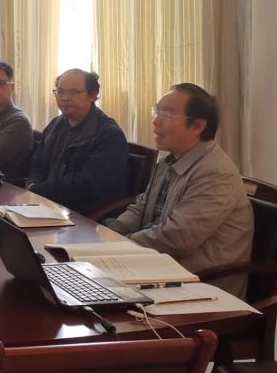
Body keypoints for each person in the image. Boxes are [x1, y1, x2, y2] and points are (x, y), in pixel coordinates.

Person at [103, 84, 254, 297]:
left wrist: (122, 245)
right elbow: (141, 207)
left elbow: (177, 238)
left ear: (197, 126)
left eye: (166, 115)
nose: (155, 122)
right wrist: (113, 231)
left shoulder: (215, 173)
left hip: (198, 286)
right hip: (155, 266)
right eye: (156, 112)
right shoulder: (169, 160)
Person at [26, 69, 128, 215]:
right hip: (47, 205)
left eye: (73, 92)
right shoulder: (56, 124)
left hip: (85, 214)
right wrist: (33, 183)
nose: (64, 98)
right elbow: (37, 161)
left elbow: (86, 184)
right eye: (60, 92)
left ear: (93, 95)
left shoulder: (109, 135)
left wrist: (38, 191)